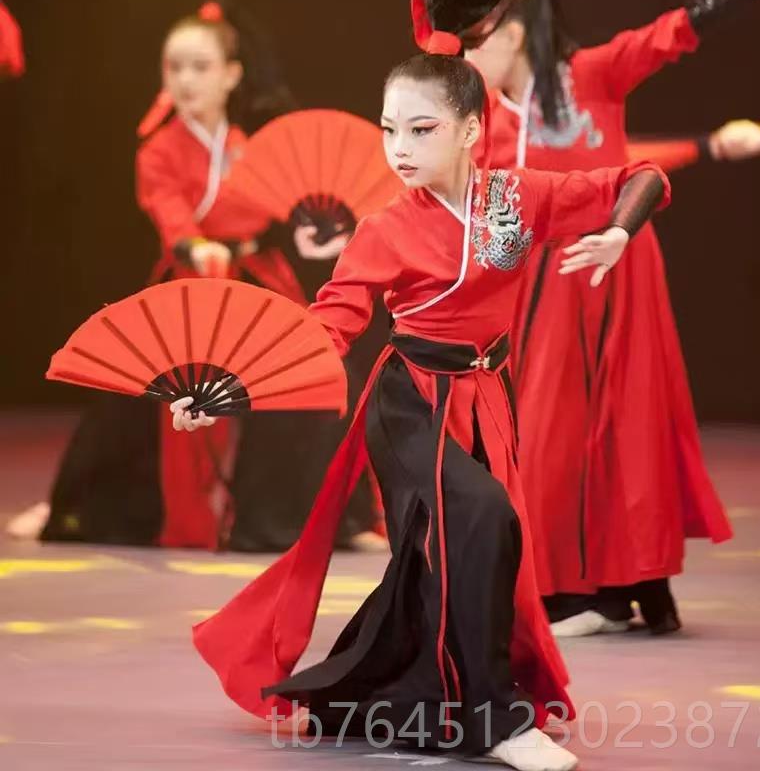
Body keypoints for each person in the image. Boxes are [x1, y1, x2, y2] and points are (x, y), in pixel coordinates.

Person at [170, 45, 670, 770]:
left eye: (422, 129)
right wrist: (226, 393)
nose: (399, 149)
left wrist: (620, 230)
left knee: (450, 554)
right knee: (483, 519)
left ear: (471, 129)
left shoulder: (520, 197)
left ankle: (384, 693)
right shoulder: (385, 229)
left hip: (486, 398)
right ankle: (496, 718)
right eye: (389, 129)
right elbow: (325, 331)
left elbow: (641, 176)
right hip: (410, 404)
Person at [421, 0, 760, 635]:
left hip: (617, 270)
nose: (463, 58)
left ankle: (626, 587)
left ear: (511, 33)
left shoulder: (592, 74)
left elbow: (672, 35)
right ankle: (582, 590)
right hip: (543, 286)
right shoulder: (487, 118)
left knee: (630, 426)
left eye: (473, 41)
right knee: (548, 431)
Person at [17, 2, 379, 551]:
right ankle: (85, 508)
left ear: (232, 75)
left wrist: (317, 230)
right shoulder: (158, 150)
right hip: (188, 282)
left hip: (255, 277)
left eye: (199, 67)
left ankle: (313, 519)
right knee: (136, 397)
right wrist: (196, 244)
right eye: (174, 67)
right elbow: (168, 213)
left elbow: (282, 207)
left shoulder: (250, 147)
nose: (185, 80)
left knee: (317, 374)